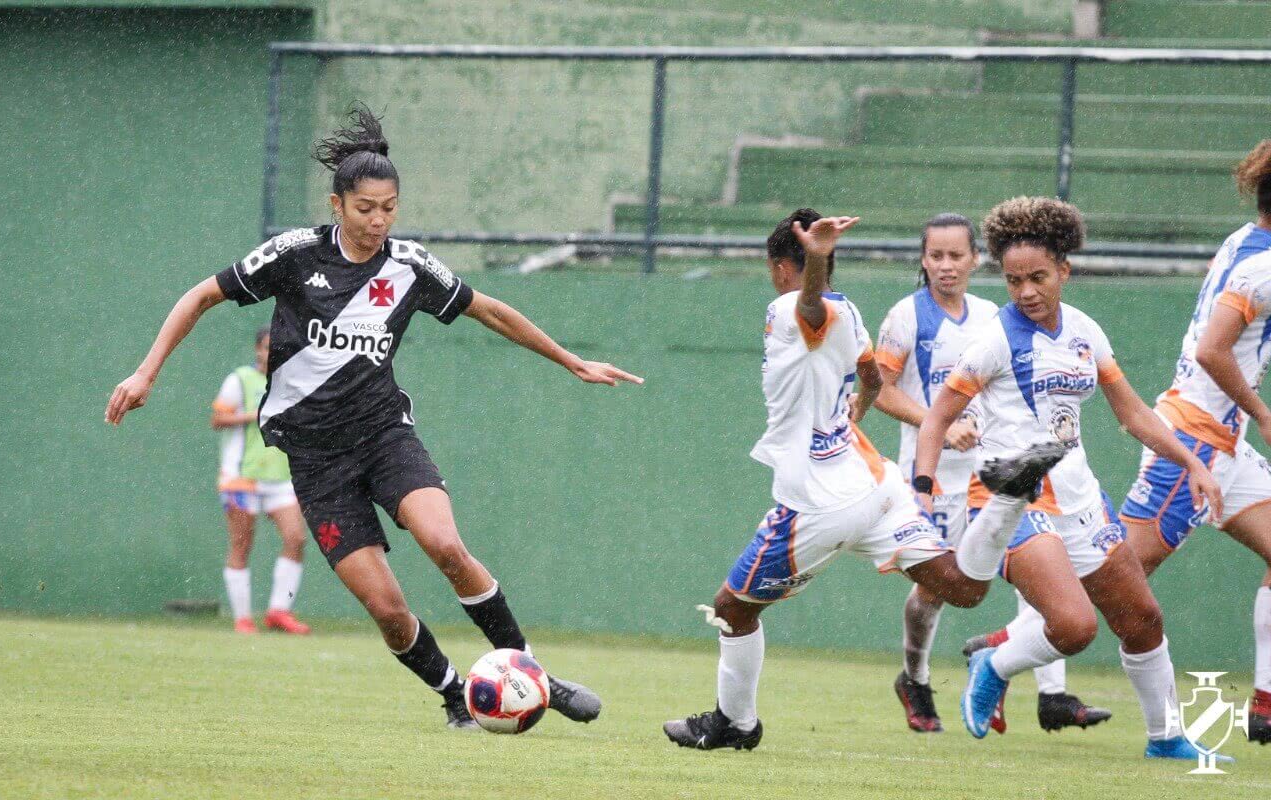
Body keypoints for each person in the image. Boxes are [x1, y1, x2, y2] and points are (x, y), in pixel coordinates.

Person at [106, 105, 642, 730]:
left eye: (389, 207)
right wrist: (146, 372)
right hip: (315, 460)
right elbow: (200, 295)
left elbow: (491, 311)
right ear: (337, 204)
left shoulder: (409, 266)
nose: (378, 220)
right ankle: (452, 693)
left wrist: (571, 361)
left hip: (385, 436)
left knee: (446, 545)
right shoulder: (293, 254)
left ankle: (530, 671)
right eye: (365, 208)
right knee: (388, 609)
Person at [662, 208, 1068, 751]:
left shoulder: (791, 304)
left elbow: (808, 307)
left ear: (779, 264)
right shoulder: (850, 311)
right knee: (964, 589)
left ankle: (735, 723)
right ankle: (1009, 501)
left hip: (816, 499)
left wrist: (814, 257)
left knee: (733, 608)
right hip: (874, 482)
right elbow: (872, 376)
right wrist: (856, 412)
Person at [915, 196, 1227, 761]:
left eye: (1038, 277)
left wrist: (1195, 464)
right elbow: (937, 417)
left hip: (1080, 496)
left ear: (1064, 269)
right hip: (1012, 497)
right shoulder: (995, 339)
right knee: (1075, 627)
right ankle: (995, 662)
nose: (1026, 291)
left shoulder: (1085, 330)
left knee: (1142, 621)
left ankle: (1166, 739)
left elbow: (1133, 415)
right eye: (1013, 281)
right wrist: (923, 486)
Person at [875, 214, 1108, 734]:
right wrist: (937, 427)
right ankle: (915, 676)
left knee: (1040, 575)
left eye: (956, 255)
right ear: (922, 259)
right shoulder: (905, 318)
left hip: (995, 474)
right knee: (942, 590)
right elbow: (878, 390)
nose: (945, 265)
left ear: (974, 260)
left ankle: (1052, 694)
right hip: (934, 478)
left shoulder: (991, 317)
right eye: (935, 255)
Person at [1118, 139, 1271, 744]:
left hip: (1222, 445)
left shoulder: (1243, 240)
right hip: (1194, 440)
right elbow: (1212, 350)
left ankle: (1265, 702)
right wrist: (1261, 410)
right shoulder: (1264, 266)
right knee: (1116, 579)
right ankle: (1006, 651)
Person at [213, 325, 310, 635]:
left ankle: (278, 612)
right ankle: (243, 618)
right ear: (258, 349)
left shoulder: (293, 382)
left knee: (296, 538)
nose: (273, 353)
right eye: (268, 347)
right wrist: (256, 414)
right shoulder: (240, 380)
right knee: (242, 545)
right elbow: (217, 419)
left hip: (280, 477)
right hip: (242, 477)